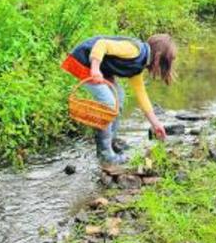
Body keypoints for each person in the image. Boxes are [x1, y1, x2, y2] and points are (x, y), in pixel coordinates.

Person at [61, 34, 176, 165]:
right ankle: (104, 153)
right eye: (163, 64)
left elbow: (141, 95)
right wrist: (95, 69)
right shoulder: (134, 50)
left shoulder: (138, 66)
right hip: (84, 63)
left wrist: (155, 124)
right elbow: (102, 44)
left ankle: (111, 141)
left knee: (119, 96)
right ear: (158, 57)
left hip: (101, 69)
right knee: (109, 102)